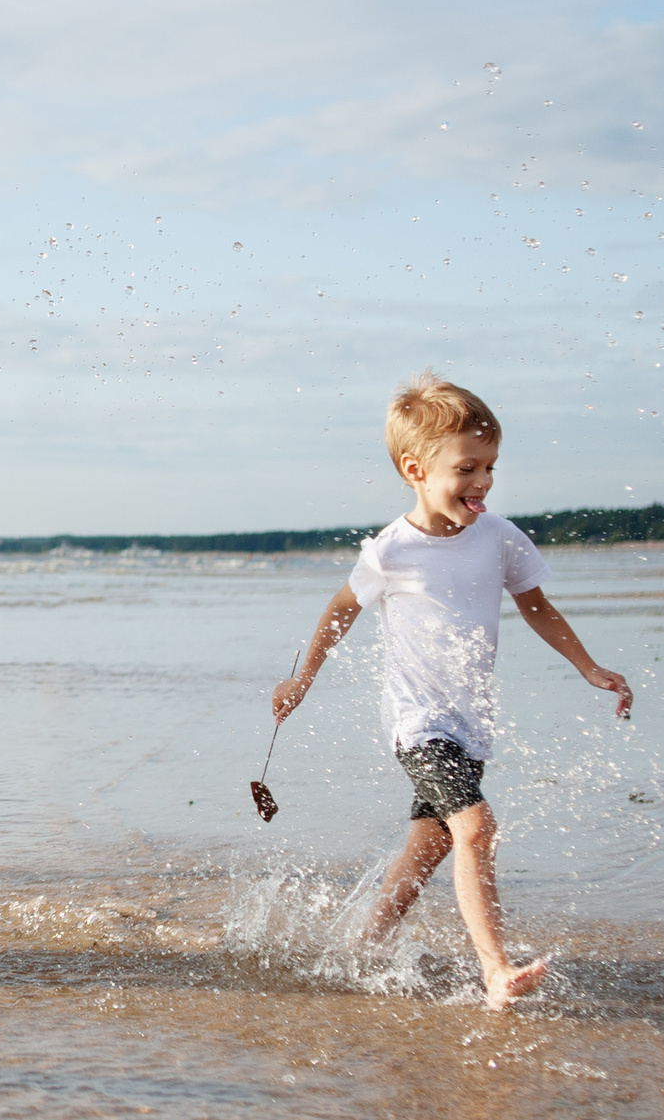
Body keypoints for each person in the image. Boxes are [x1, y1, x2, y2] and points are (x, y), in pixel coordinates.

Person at [271, 372, 632, 1009]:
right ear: (416, 468)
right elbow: (340, 609)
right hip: (419, 725)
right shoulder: (392, 551)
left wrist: (589, 667)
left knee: (432, 840)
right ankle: (496, 969)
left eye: (490, 467)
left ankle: (362, 946)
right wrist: (302, 678)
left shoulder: (499, 537)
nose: (484, 482)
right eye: (467, 468)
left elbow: (537, 607)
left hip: (468, 723)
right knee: (475, 825)